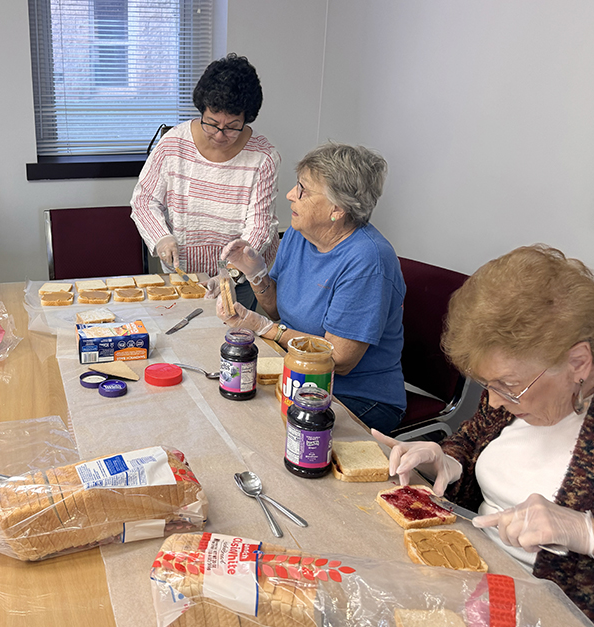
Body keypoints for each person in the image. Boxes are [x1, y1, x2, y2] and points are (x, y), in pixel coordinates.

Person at [377, 245, 594, 627]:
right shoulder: (517, 380)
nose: (493, 403)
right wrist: (447, 459)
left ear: (578, 361)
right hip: (472, 576)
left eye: (506, 387)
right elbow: (477, 436)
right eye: (486, 385)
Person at [214, 143, 406, 433]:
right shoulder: (299, 233)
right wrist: (256, 274)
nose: (291, 195)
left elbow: (339, 359)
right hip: (299, 375)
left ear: (337, 209)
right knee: (228, 404)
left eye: (303, 189)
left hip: (357, 395)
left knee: (254, 428)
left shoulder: (368, 260)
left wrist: (265, 328)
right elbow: (277, 306)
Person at [131, 53, 279, 311]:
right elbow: (144, 201)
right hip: (184, 273)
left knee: (231, 340)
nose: (220, 135)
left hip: (238, 279)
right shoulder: (173, 144)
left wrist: (230, 273)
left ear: (247, 118)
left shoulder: (263, 158)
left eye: (232, 126)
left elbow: (259, 228)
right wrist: (162, 238)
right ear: (202, 110)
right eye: (211, 123)